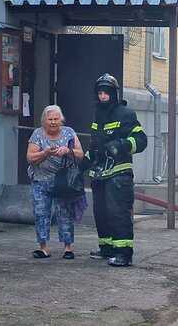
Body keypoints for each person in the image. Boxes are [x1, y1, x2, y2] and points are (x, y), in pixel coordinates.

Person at [82, 73, 147, 267]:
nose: (103, 96)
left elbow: (141, 140)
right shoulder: (98, 115)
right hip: (100, 173)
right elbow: (95, 146)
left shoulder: (125, 114)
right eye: (100, 93)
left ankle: (124, 254)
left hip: (119, 173)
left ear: (113, 94)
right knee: (101, 213)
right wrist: (81, 166)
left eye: (106, 93)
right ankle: (107, 248)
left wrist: (122, 144)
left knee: (118, 213)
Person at [26, 105, 86, 259]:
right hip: (40, 180)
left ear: (61, 120)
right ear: (44, 121)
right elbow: (30, 158)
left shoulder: (69, 132)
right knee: (41, 213)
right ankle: (43, 247)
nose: (53, 122)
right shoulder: (37, 134)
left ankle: (68, 248)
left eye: (56, 119)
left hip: (63, 182)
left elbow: (81, 154)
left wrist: (68, 150)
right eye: (50, 119)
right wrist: (45, 153)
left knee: (65, 213)